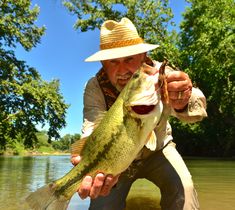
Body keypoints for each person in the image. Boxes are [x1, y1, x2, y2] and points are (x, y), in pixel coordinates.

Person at [71, 17, 207, 210]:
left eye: (129, 59)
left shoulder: (156, 74)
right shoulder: (94, 87)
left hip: (159, 149)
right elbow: (91, 127)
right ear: (103, 63)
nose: (122, 70)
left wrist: (184, 98)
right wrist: (85, 160)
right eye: (113, 62)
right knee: (102, 203)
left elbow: (197, 108)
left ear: (143, 55)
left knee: (185, 191)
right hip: (116, 160)